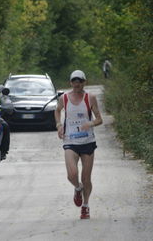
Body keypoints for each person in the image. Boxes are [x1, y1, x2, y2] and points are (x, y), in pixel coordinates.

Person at [54, 70, 103, 219]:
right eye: (74, 81)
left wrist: (91, 123)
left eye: (80, 81)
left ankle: (86, 206)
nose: (77, 84)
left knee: (86, 178)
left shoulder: (90, 98)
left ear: (84, 82)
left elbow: (99, 119)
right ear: (70, 83)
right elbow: (57, 111)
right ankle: (77, 188)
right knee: (72, 175)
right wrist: (58, 125)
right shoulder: (64, 98)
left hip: (87, 142)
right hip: (70, 141)